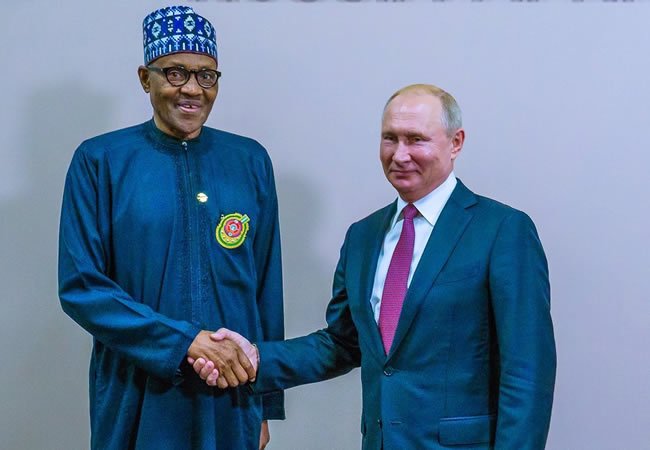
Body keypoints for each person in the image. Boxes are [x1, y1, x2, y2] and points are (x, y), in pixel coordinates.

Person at [195, 84, 557, 449]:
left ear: (456, 142)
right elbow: (342, 343)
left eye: (416, 139)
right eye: (390, 138)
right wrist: (257, 358)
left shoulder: (503, 230)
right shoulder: (363, 237)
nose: (400, 154)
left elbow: (527, 372)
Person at [58, 6, 283, 450]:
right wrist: (185, 342)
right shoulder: (100, 161)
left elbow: (264, 289)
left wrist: (265, 401)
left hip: (231, 394)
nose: (193, 89)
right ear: (146, 78)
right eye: (176, 73)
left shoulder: (250, 161)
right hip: (137, 390)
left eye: (206, 76)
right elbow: (82, 287)